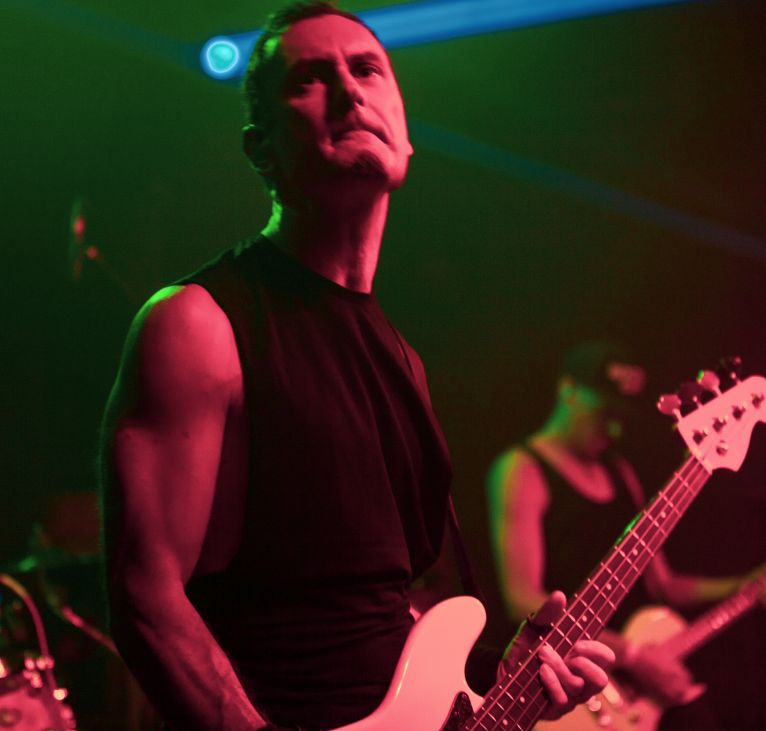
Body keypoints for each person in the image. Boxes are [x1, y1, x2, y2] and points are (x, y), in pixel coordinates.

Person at [99, 4, 614, 730]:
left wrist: (500, 673)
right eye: (310, 78)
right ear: (260, 149)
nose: (349, 90)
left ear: (405, 131)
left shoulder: (404, 361)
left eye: (368, 69)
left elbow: (378, 611)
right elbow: (145, 598)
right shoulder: (197, 323)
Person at [486, 341, 762, 729]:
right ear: (568, 390)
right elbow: (522, 599)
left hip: (640, 678)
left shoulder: (620, 472)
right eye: (604, 412)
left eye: (621, 416)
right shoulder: (521, 468)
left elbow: (663, 584)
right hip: (573, 683)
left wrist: (742, 585)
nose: (614, 428)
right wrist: (632, 655)